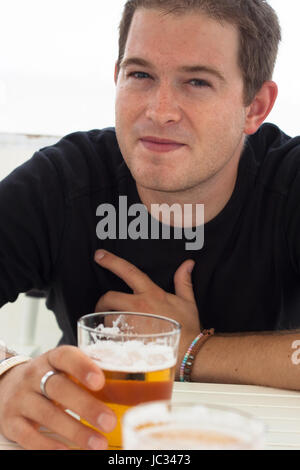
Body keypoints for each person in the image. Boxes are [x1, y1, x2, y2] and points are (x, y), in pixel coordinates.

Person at [0, 0, 299, 450]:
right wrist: (6, 375)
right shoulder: (63, 181)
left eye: (197, 82)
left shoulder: (291, 184)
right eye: (140, 75)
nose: (160, 111)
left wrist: (191, 351)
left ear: (255, 106)